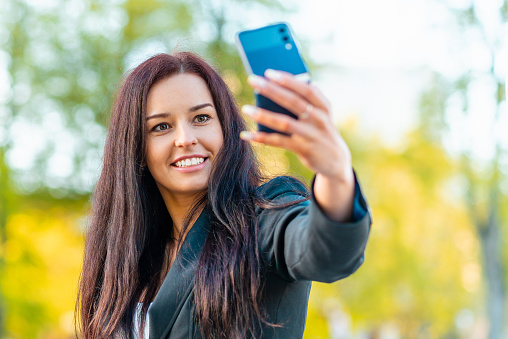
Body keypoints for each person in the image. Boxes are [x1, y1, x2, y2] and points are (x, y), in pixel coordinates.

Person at [76, 52, 371, 339]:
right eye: (161, 126)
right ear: (137, 149)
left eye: (201, 117)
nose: (186, 138)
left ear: (225, 129)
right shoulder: (128, 257)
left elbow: (329, 251)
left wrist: (335, 173)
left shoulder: (264, 218)